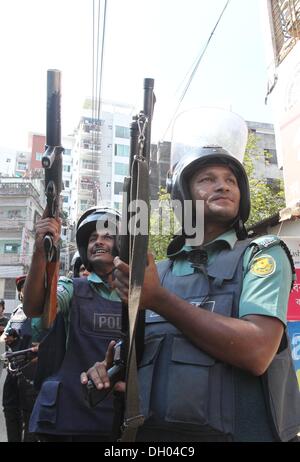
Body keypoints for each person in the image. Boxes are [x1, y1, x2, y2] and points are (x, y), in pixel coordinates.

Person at [81, 109, 300, 442]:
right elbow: (147, 358)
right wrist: (113, 372)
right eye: (207, 179)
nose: (223, 186)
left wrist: (159, 300)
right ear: (183, 195)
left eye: (230, 180)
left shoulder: (261, 254)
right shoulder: (162, 273)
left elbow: (257, 352)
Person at [23, 206, 122, 442]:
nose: (98, 242)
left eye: (107, 236)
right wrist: (40, 250)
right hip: (66, 422)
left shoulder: (140, 296)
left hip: (117, 422)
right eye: (92, 238)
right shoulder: (70, 287)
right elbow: (36, 307)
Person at [1, 276, 44, 442]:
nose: (26, 290)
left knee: (30, 415)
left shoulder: (46, 311)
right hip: (13, 370)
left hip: (33, 371)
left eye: (31, 285)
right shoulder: (17, 311)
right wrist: (9, 337)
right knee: (10, 409)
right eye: (23, 287)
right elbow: (6, 335)